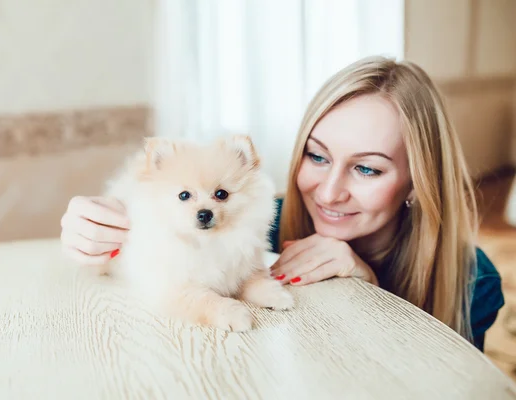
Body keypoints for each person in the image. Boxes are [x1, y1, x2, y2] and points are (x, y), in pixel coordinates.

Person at [59, 56, 504, 352]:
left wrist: (368, 285)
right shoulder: (252, 227)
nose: (329, 193)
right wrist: (101, 227)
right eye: (317, 156)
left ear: (416, 182)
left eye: (367, 168)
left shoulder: (473, 282)